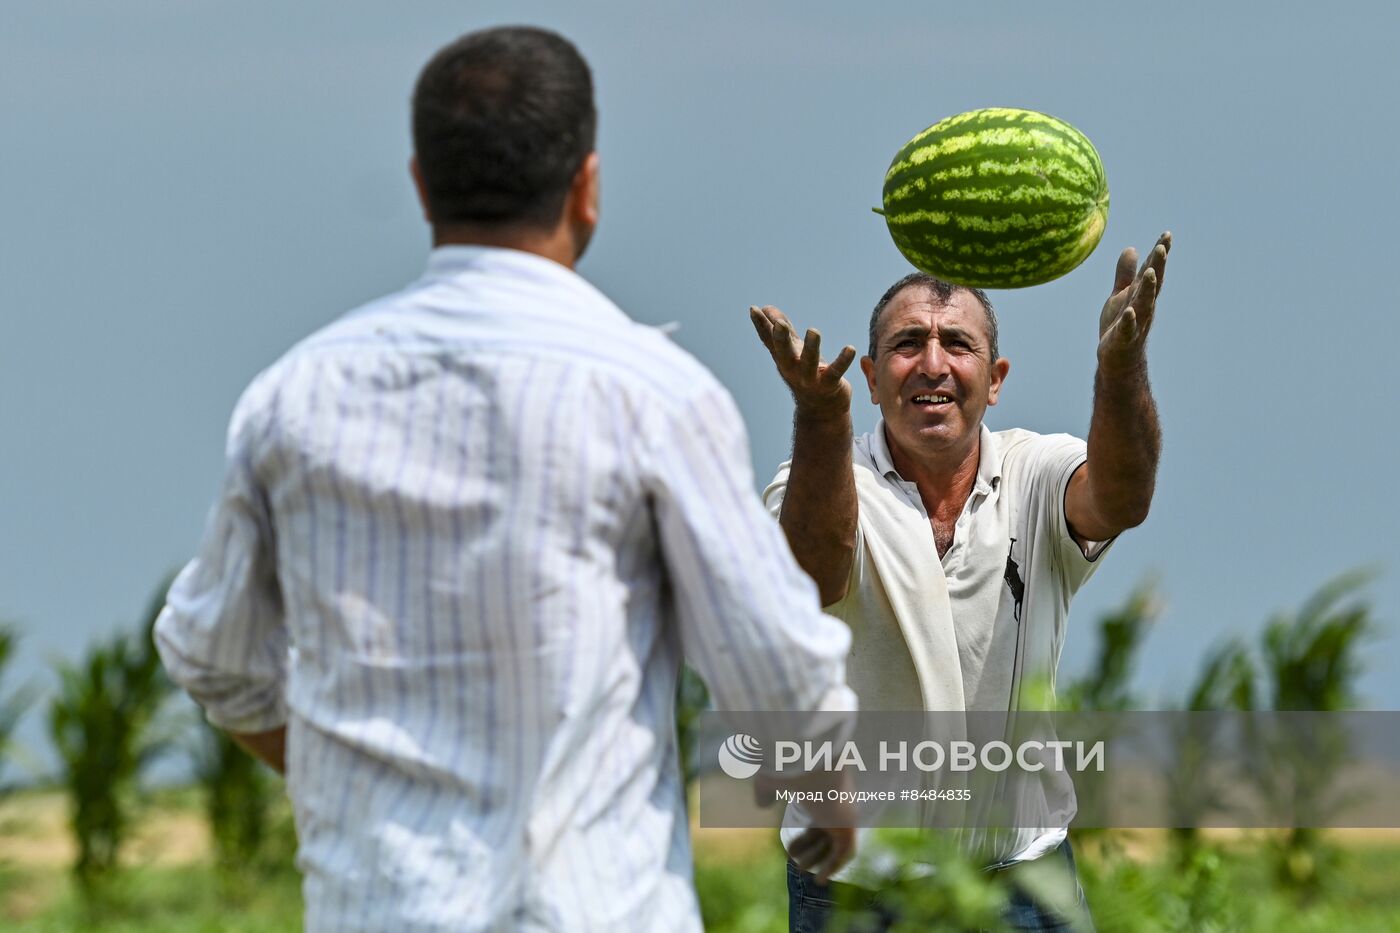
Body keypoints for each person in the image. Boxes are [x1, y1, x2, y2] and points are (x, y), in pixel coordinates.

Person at [155, 26, 858, 932]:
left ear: (419, 184)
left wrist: (356, 789)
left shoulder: (296, 394)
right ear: (587, 187)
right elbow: (773, 659)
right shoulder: (652, 392)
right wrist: (832, 805)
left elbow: (212, 652)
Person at [750, 234, 1171, 931]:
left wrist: (1121, 366)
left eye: (958, 344)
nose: (934, 364)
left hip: (1025, 881)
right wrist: (820, 420)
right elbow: (811, 573)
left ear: (996, 377)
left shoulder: (1036, 470)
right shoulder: (815, 482)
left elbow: (1121, 497)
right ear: (876, 376)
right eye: (909, 342)